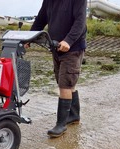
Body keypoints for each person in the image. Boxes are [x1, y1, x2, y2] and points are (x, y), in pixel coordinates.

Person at [30, 0, 87, 138]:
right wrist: (29, 38)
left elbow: (80, 22)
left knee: (65, 85)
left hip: (73, 48)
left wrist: (68, 40)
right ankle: (73, 116)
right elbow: (40, 20)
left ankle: (61, 124)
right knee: (67, 82)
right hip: (56, 47)